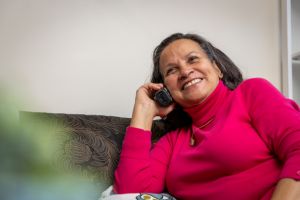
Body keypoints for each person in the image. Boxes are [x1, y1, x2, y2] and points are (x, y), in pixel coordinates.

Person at [113, 33, 300, 200]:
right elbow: (131, 194)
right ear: (165, 89)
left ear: (217, 68)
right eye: (172, 70)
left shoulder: (251, 94)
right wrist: (143, 113)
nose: (185, 72)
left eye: (193, 59)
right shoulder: (172, 142)